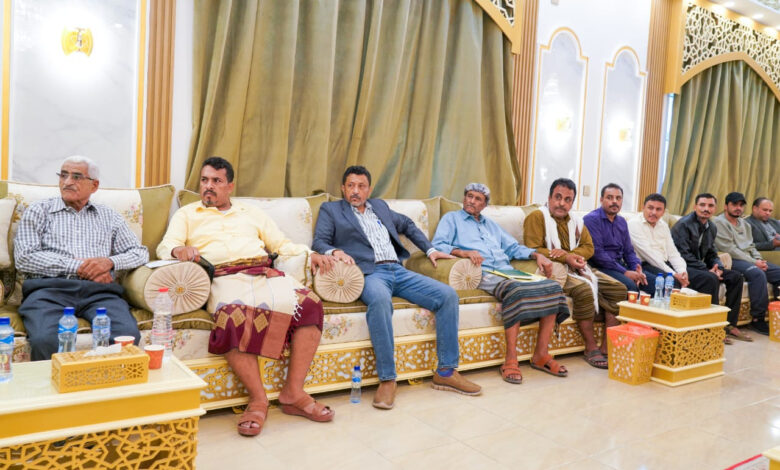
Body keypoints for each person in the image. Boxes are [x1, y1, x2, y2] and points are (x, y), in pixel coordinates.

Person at [157, 157, 334, 437]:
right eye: (204, 180)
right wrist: (179, 250)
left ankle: (293, 392)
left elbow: (281, 244)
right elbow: (166, 245)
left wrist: (310, 254)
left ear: (230, 186)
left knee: (310, 304)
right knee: (230, 317)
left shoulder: (251, 213)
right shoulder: (187, 214)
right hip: (224, 278)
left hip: (263, 273)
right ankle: (258, 400)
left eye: (216, 181)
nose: (208, 186)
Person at [312, 166, 481, 410]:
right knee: (381, 301)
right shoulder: (331, 210)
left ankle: (446, 372)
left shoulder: (380, 207)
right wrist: (335, 251)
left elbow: (408, 224)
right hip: (369, 273)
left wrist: (430, 250)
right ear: (343, 188)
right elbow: (319, 240)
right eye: (351, 186)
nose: (355, 191)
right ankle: (388, 380)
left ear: (369, 190)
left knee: (447, 295)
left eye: (361, 186)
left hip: (399, 271)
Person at [432, 183, 570, 384]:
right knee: (515, 290)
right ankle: (510, 360)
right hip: (482, 272)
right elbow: (438, 245)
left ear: (485, 205)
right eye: (469, 196)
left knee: (553, 287)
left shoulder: (490, 225)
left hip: (507, 270)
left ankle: (541, 355)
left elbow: (513, 247)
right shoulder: (451, 219)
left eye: (478, 199)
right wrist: (463, 252)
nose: (471, 201)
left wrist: (537, 255)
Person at [15, 156, 148, 360]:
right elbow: (25, 257)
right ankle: (53, 381)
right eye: (63, 175)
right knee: (45, 340)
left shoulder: (109, 216)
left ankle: (107, 381)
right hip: (49, 290)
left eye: (76, 177)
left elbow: (140, 252)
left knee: (126, 336)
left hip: (100, 292)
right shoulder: (39, 210)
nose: (67, 182)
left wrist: (109, 262)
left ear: (94, 185)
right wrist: (79, 267)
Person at [523, 178, 627, 370]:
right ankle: (590, 348)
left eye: (567, 199)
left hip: (578, 267)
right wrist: (566, 258)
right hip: (553, 269)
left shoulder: (577, 220)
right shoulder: (537, 217)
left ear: (572, 202)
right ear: (549, 198)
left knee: (618, 289)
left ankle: (606, 346)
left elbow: (589, 247)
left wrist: (571, 256)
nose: (561, 203)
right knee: (584, 290)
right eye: (558, 197)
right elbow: (533, 248)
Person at [670, 193, 745, 344]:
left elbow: (712, 253)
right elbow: (683, 255)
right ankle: (713, 328)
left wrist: (718, 267)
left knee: (736, 277)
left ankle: (729, 324)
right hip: (682, 268)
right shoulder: (683, 225)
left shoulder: (711, 227)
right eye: (702, 205)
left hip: (699, 266)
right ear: (695, 207)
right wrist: (707, 269)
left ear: (715, 208)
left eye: (710, 206)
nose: (706, 209)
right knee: (710, 278)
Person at [713, 192, 780, 337]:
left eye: (741, 205)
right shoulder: (719, 222)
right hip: (732, 259)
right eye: (734, 204)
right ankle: (757, 319)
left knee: (778, 272)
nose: (738, 208)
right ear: (726, 206)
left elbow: (751, 246)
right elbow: (730, 249)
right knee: (757, 273)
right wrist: (755, 262)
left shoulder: (745, 224)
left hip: (750, 259)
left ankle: (777, 314)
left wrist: (759, 259)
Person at [583, 183, 647, 293]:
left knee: (651, 283)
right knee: (631, 287)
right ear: (601, 200)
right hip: (601, 266)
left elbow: (629, 251)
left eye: (618, 198)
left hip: (619, 265)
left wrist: (636, 269)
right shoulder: (591, 220)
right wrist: (625, 272)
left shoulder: (622, 222)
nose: (614, 201)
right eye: (609, 197)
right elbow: (598, 254)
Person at [627, 193, 689, 296]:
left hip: (663, 264)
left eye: (658, 209)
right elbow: (650, 256)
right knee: (671, 282)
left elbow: (672, 252)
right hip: (644, 264)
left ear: (663, 212)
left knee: (705, 279)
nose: (653, 212)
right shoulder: (634, 224)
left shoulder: (663, 226)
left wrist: (682, 272)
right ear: (643, 208)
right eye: (650, 208)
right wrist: (674, 274)